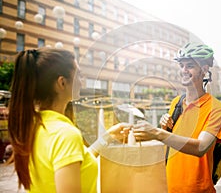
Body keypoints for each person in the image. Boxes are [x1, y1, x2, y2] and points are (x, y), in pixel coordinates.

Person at [7, 48, 130, 192]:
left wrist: (108, 137)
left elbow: (77, 161)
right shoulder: (65, 134)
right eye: (79, 75)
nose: (82, 82)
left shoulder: (34, 126)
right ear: (62, 83)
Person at [133, 42, 221, 193]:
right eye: (181, 65)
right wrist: (165, 127)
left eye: (190, 65)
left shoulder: (216, 109)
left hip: (198, 190)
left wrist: (157, 133)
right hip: (169, 187)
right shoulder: (176, 103)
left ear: (204, 70)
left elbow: (200, 147)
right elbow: (171, 142)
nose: (184, 70)